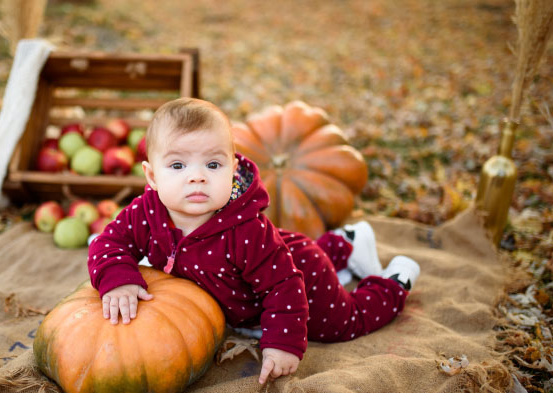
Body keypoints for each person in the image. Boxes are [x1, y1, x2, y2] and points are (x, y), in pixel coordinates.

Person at [87, 97, 420, 385]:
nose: (197, 175)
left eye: (213, 164)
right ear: (152, 176)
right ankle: (345, 243)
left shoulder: (246, 229)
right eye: (177, 164)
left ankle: (395, 281)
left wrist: (282, 342)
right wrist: (117, 280)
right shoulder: (146, 213)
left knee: (341, 324)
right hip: (279, 256)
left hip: (299, 271)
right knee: (300, 260)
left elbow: (284, 287)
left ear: (233, 168)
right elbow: (109, 242)